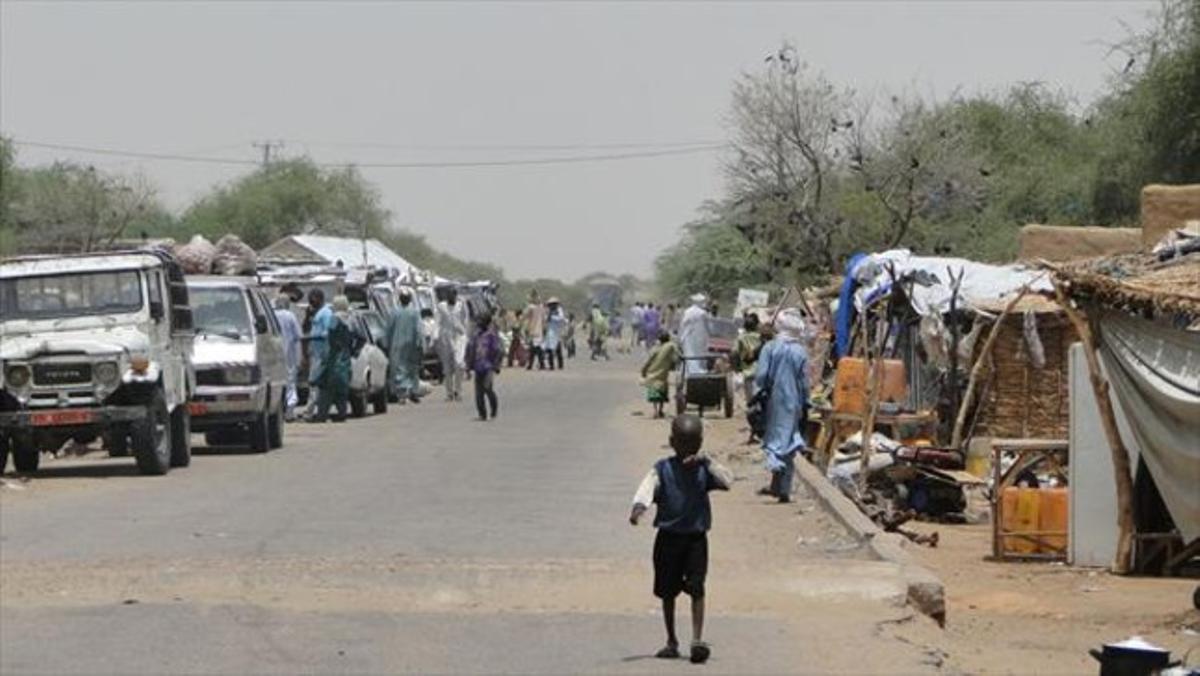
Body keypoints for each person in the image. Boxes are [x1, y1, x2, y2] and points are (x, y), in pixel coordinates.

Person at [629, 415, 732, 664]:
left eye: (693, 444)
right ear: (672, 442)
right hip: (668, 538)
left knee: (697, 588)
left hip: (696, 538)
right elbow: (647, 488)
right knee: (668, 591)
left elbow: (727, 481)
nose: (688, 450)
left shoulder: (703, 470)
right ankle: (671, 640)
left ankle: (697, 640)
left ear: (700, 444)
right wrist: (639, 508)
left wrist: (707, 461)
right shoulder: (663, 469)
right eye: (684, 444)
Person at [753, 309, 809, 503]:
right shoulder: (800, 351)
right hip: (794, 403)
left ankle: (777, 476)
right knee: (789, 442)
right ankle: (782, 488)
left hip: (774, 401)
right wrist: (805, 402)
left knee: (774, 439)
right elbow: (804, 383)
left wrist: (760, 391)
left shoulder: (770, 348)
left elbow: (761, 376)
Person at [311, 296, 361, 423]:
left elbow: (331, 335)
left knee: (326, 388)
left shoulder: (335, 319)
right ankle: (342, 413)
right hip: (345, 357)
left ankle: (322, 415)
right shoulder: (351, 319)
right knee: (342, 389)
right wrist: (354, 350)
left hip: (333, 357)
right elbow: (361, 337)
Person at [384, 289, 424, 404]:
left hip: (397, 346)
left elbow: (388, 330)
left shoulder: (394, 312)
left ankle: (404, 392)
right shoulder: (414, 313)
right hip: (410, 346)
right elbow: (419, 330)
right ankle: (411, 391)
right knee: (410, 368)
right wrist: (420, 344)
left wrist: (387, 344)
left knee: (400, 369)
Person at [465, 313, 502, 421]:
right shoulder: (476, 336)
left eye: (480, 321)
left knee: (488, 388)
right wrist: (469, 365)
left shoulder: (491, 336)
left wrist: (496, 365)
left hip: (488, 367)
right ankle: (482, 414)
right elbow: (471, 350)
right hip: (478, 367)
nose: (478, 324)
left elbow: (498, 351)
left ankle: (493, 410)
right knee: (478, 393)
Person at [303, 289, 334, 419]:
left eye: (313, 299)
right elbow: (307, 328)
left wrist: (314, 338)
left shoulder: (326, 313)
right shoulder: (316, 313)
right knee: (316, 384)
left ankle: (309, 412)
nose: (311, 302)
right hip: (315, 352)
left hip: (322, 353)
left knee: (314, 382)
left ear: (320, 299)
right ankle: (317, 412)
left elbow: (327, 332)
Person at [436, 288, 469, 401]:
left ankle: (458, 390)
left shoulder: (461, 305)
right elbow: (437, 322)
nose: (451, 297)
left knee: (459, 364)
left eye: (453, 295)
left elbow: (465, 320)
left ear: (456, 295)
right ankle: (449, 393)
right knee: (447, 367)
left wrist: (466, 334)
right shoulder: (441, 306)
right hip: (445, 337)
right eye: (449, 295)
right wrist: (435, 337)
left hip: (459, 336)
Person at [273, 295, 303, 421]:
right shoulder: (290, 316)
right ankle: (289, 412)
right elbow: (298, 335)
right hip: (289, 355)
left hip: (274, 356)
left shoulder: (272, 315)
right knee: (290, 383)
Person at [641, 332, 680, 419]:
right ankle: (660, 410)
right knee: (662, 394)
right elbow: (676, 357)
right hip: (662, 374)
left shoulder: (655, 349)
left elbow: (648, 360)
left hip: (652, 374)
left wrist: (643, 370)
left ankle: (655, 411)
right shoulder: (670, 347)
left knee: (654, 395)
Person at [734, 312, 763, 404]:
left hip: (748, 373)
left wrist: (737, 368)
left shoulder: (741, 338)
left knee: (750, 401)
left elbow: (734, 353)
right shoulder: (761, 338)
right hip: (762, 372)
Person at [678, 294, 711, 374]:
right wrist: (709, 334)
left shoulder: (687, 311)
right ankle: (696, 369)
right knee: (698, 353)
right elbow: (707, 326)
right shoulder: (702, 313)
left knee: (689, 353)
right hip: (698, 335)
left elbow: (683, 324)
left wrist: (681, 335)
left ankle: (687, 371)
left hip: (688, 335)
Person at [543, 298, 567, 371]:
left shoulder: (559, 310)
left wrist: (552, 317)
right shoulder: (549, 311)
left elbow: (561, 319)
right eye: (550, 305)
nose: (551, 306)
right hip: (550, 332)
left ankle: (560, 365)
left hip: (557, 332)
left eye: (552, 304)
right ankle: (551, 365)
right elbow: (546, 320)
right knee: (550, 349)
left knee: (558, 349)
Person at [524, 291, 546, 371]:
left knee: (535, 348)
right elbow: (544, 320)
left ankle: (535, 364)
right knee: (534, 348)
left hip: (534, 330)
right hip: (539, 330)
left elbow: (525, 315)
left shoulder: (531, 307)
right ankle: (536, 364)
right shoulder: (541, 308)